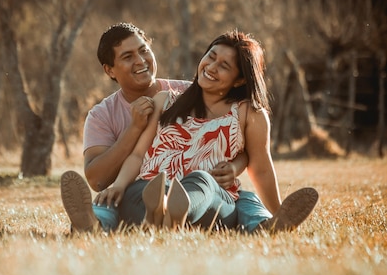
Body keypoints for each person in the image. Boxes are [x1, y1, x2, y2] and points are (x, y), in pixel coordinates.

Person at [72, 29, 318, 233]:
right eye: (210, 57)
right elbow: (138, 156)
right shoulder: (165, 100)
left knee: (207, 184)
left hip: (207, 198)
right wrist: (119, 185)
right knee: (122, 195)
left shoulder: (248, 113)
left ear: (240, 79)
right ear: (110, 69)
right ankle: (95, 224)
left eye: (224, 66)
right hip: (150, 189)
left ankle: (177, 213)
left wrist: (275, 206)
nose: (211, 67)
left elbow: (260, 165)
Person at [61, 22, 248, 232]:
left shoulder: (190, 93)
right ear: (110, 70)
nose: (140, 61)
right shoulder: (102, 115)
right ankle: (92, 224)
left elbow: (241, 143)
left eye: (144, 51)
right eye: (127, 56)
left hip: (196, 188)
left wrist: (235, 167)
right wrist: (134, 129)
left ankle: (143, 217)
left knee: (241, 200)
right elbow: (97, 180)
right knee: (111, 202)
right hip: (136, 191)